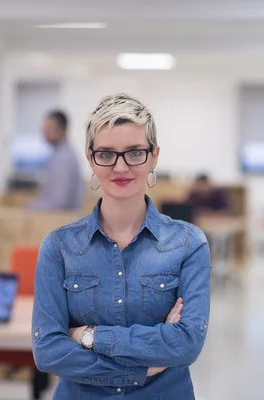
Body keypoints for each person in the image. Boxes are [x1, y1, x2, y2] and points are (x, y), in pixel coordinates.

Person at [32, 93, 211, 399]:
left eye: (134, 153)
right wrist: (140, 366)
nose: (120, 166)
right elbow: (48, 351)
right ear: (90, 159)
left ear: (154, 156)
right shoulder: (59, 246)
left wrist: (87, 335)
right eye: (106, 154)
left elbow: (186, 343)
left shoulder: (188, 243)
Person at [28, 110, 83, 211]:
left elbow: (60, 204)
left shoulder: (64, 158)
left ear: (62, 129)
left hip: (62, 221)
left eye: (49, 129)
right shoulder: (57, 154)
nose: (45, 133)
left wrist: (30, 207)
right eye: (44, 129)